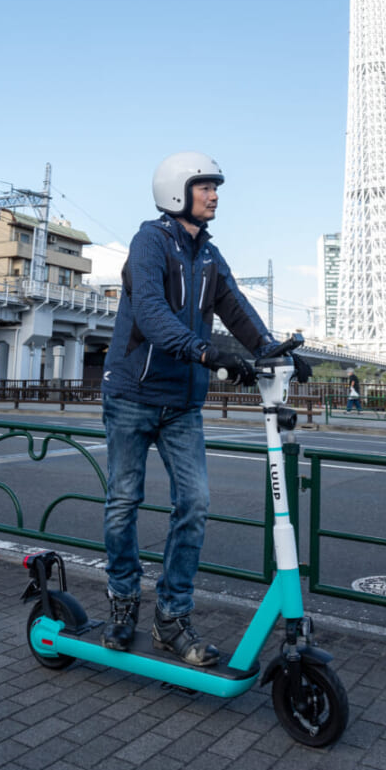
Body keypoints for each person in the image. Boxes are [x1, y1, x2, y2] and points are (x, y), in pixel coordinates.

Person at [100, 151, 278, 665]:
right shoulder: (149, 243)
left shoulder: (208, 256)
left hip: (182, 403)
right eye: (206, 186)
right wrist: (204, 350)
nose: (215, 194)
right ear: (178, 190)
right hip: (132, 395)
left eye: (216, 187)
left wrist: (270, 348)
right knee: (123, 503)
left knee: (195, 503)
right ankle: (123, 603)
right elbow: (152, 314)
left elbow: (237, 308)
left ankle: (171, 617)